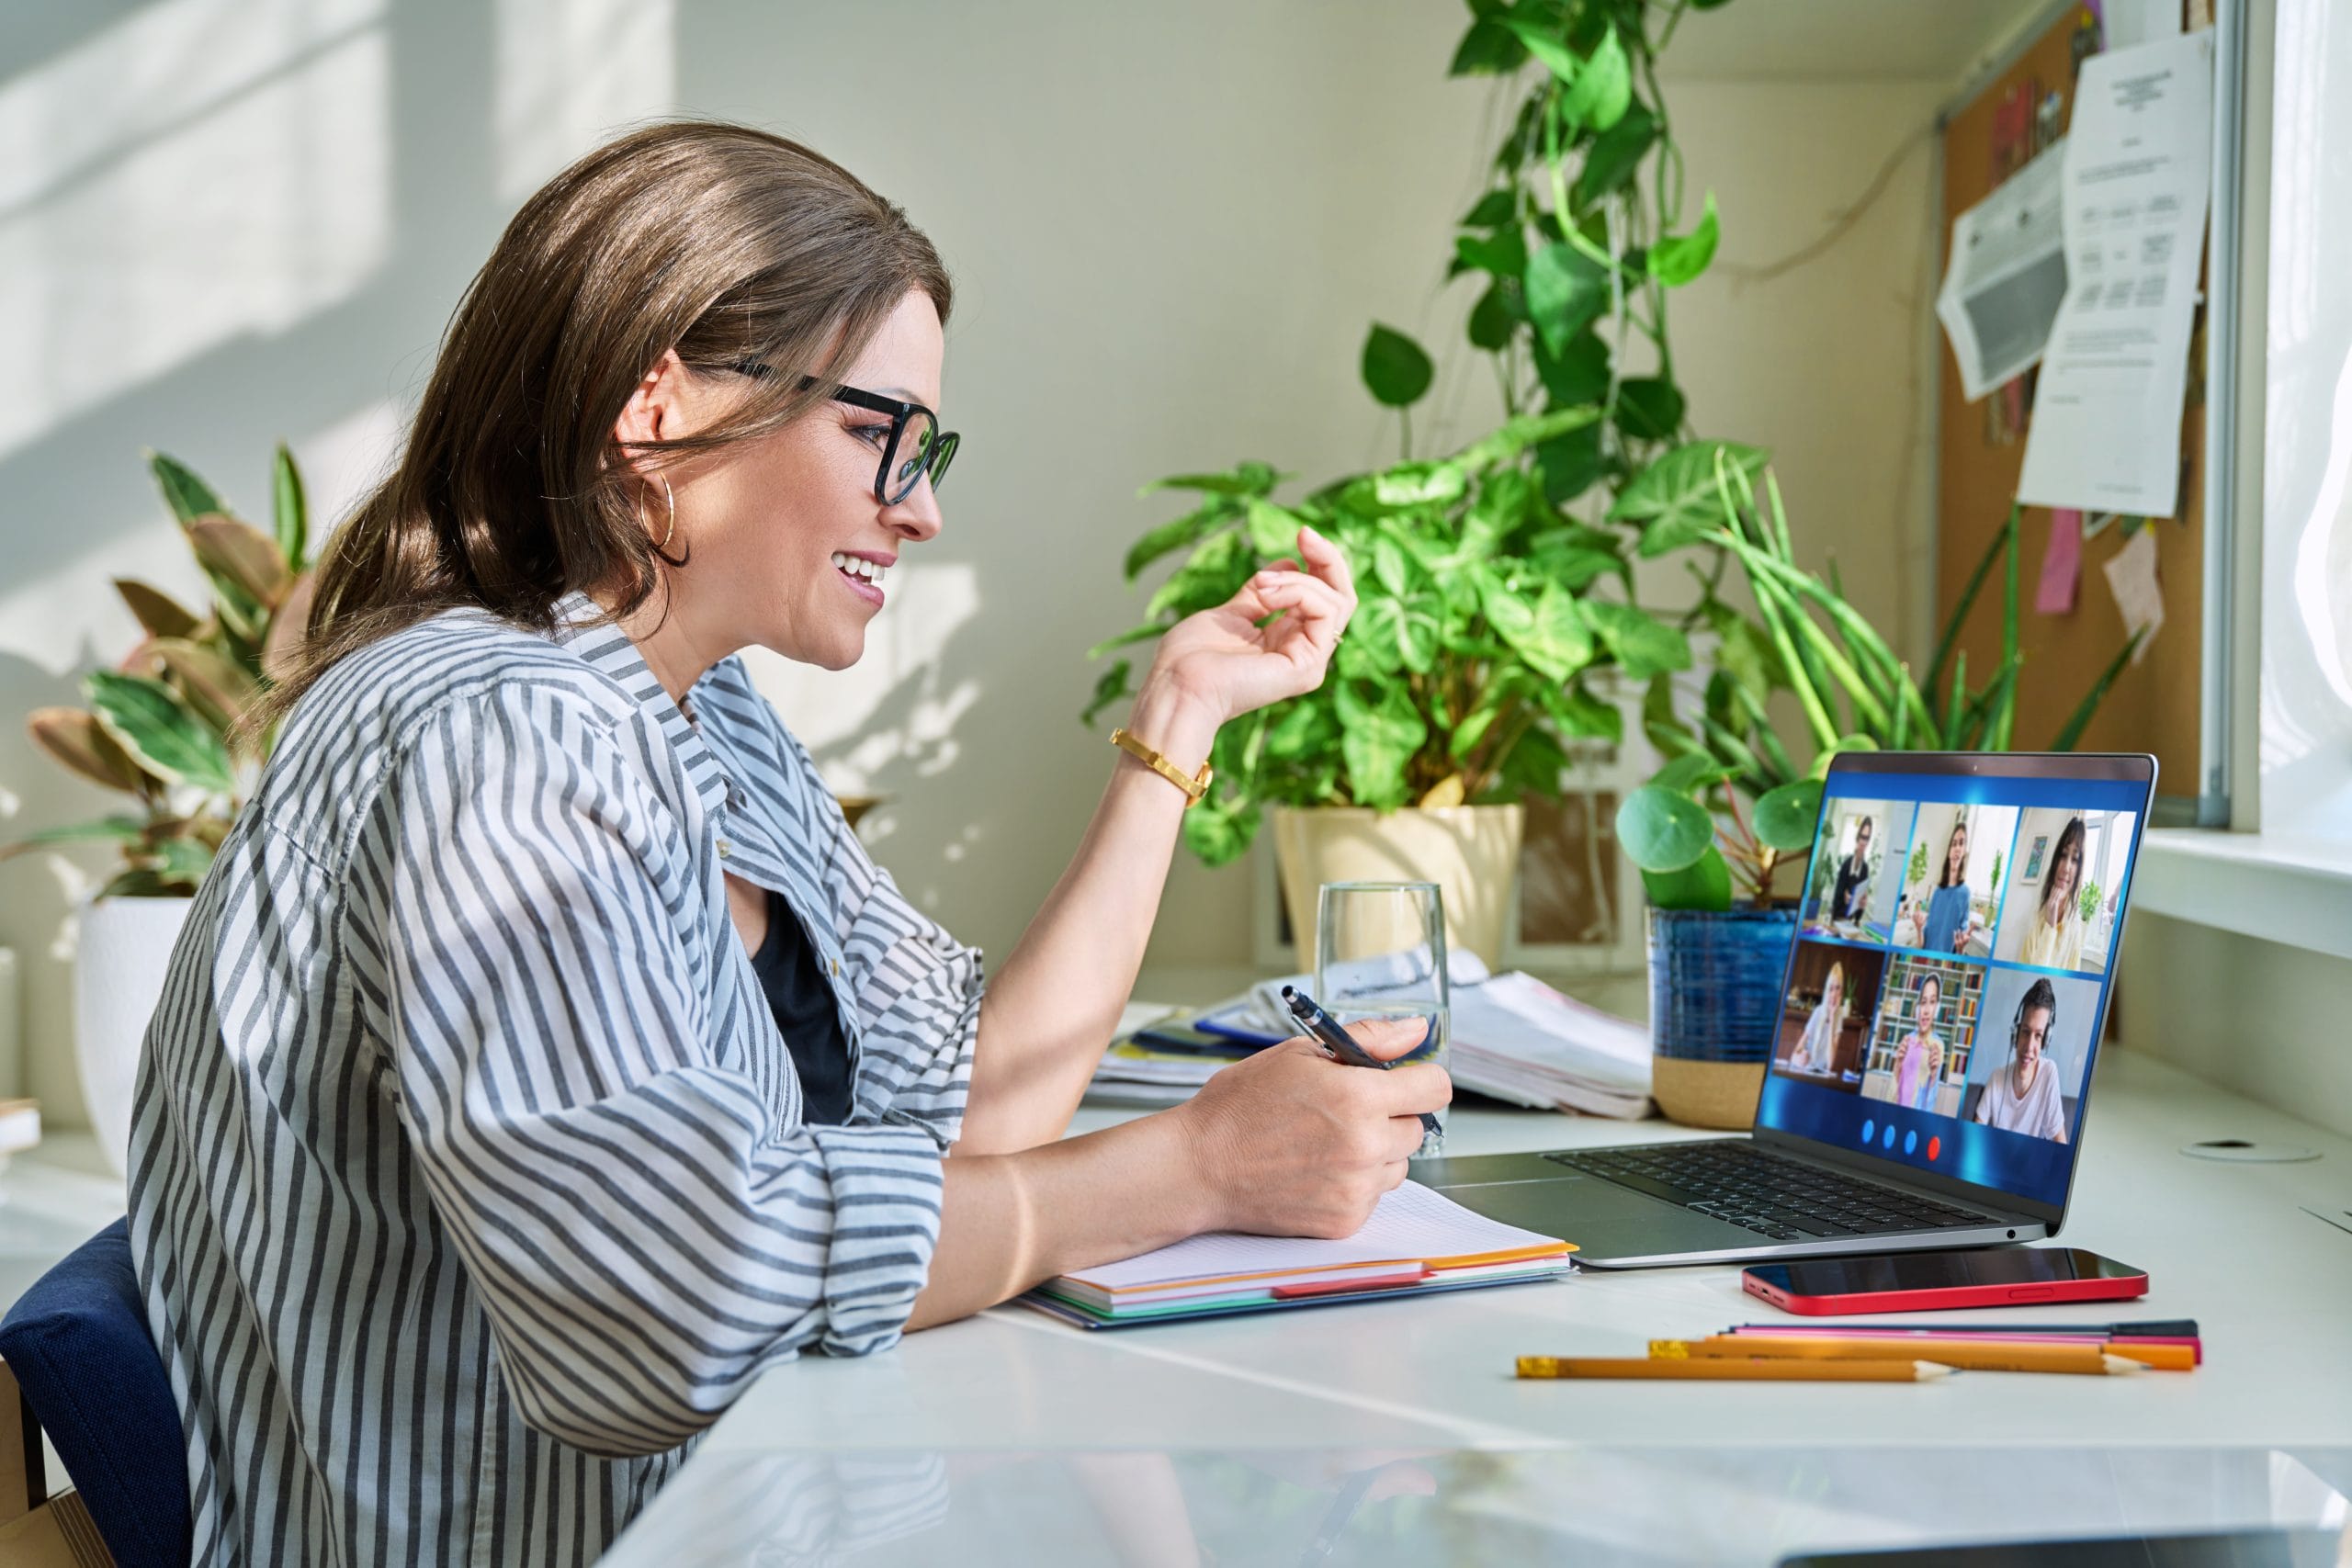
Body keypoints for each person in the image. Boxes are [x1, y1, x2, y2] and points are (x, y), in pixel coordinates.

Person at [123, 124, 1447, 1566]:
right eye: (881, 431)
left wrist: (1179, 718)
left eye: (925, 447)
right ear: (659, 406)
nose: (924, 503)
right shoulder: (495, 734)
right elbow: (656, 1309)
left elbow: (970, 1105)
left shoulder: (699, 711)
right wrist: (1193, 1167)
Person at [1973, 978, 2070, 1142]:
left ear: (2045, 1040)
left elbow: (2060, 1145)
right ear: (2016, 1034)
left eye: (2038, 1035)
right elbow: (1973, 1137)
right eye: (2025, 1032)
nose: (2029, 1046)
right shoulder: (1997, 1077)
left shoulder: (2048, 1073)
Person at [2015, 816, 2088, 971]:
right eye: (2063, 855)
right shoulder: (2034, 918)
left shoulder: (2075, 929)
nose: (2066, 867)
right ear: (2055, 860)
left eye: (2074, 859)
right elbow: (2030, 980)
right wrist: (2050, 927)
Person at [1918, 814, 1975, 954]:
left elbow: (1959, 948)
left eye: (1961, 843)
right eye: (1954, 843)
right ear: (1949, 851)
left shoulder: (1965, 894)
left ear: (1964, 852)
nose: (1957, 848)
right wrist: (1919, 929)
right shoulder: (1937, 892)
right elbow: (1921, 946)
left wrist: (1961, 948)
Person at [1892, 971, 1948, 1111]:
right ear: (1917, 1008)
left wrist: (1934, 1075)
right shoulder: (1907, 1039)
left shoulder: (1938, 1046)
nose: (1926, 1010)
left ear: (1937, 1008)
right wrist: (1897, 1065)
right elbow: (1893, 1090)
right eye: (1923, 1002)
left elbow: (1931, 1102)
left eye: (1932, 1002)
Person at [1791, 962, 1848, 1074]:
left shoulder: (1840, 1014)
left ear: (1841, 990)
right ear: (1827, 990)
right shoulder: (1818, 1011)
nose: (1834, 993)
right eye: (1831, 989)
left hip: (1822, 1072)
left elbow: (1830, 1065)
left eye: (1837, 988)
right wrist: (1798, 1057)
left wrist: (1832, 1017)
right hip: (1807, 1068)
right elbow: (1797, 1050)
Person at [1828, 816, 1874, 925]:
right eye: (1862, 837)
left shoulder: (1865, 869)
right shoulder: (1846, 864)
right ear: (1857, 837)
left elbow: (1858, 914)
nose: (1863, 842)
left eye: (1867, 838)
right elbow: (1836, 899)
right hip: (1838, 918)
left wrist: (1862, 906)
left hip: (1851, 922)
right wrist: (1844, 897)